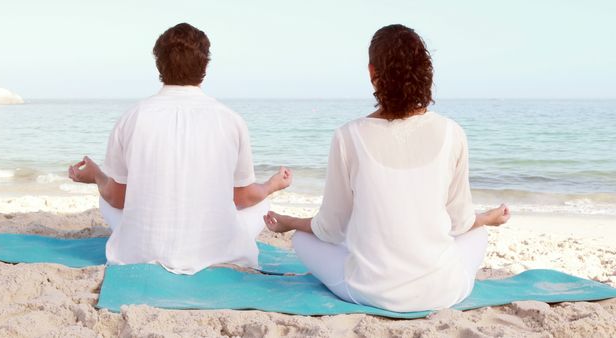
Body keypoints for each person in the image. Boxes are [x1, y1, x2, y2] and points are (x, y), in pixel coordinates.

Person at [263, 24, 510, 312]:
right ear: (424, 71)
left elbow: (330, 230)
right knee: (478, 233)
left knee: (302, 240)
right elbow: (459, 224)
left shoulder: (348, 136)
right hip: (441, 292)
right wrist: (487, 218)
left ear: (372, 73)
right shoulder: (452, 133)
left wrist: (289, 222)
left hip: (369, 292)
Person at [68, 23, 291, 274]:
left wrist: (96, 175)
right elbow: (242, 197)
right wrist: (273, 185)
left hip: (144, 251)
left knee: (106, 194)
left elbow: (117, 198)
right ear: (205, 66)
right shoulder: (231, 120)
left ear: (158, 65)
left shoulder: (133, 117)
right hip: (215, 250)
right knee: (259, 202)